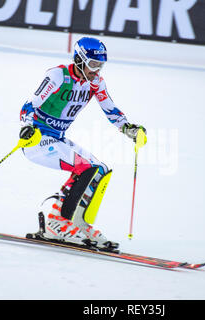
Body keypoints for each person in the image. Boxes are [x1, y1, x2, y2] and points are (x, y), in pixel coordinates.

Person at [19, 37, 146, 251]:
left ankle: (77, 221)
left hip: (57, 137)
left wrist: (128, 128)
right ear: (79, 60)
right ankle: (56, 223)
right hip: (38, 140)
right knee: (85, 167)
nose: (96, 71)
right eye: (93, 65)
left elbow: (110, 109)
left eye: (100, 65)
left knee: (101, 169)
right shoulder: (58, 75)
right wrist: (27, 126)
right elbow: (28, 106)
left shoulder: (96, 82)